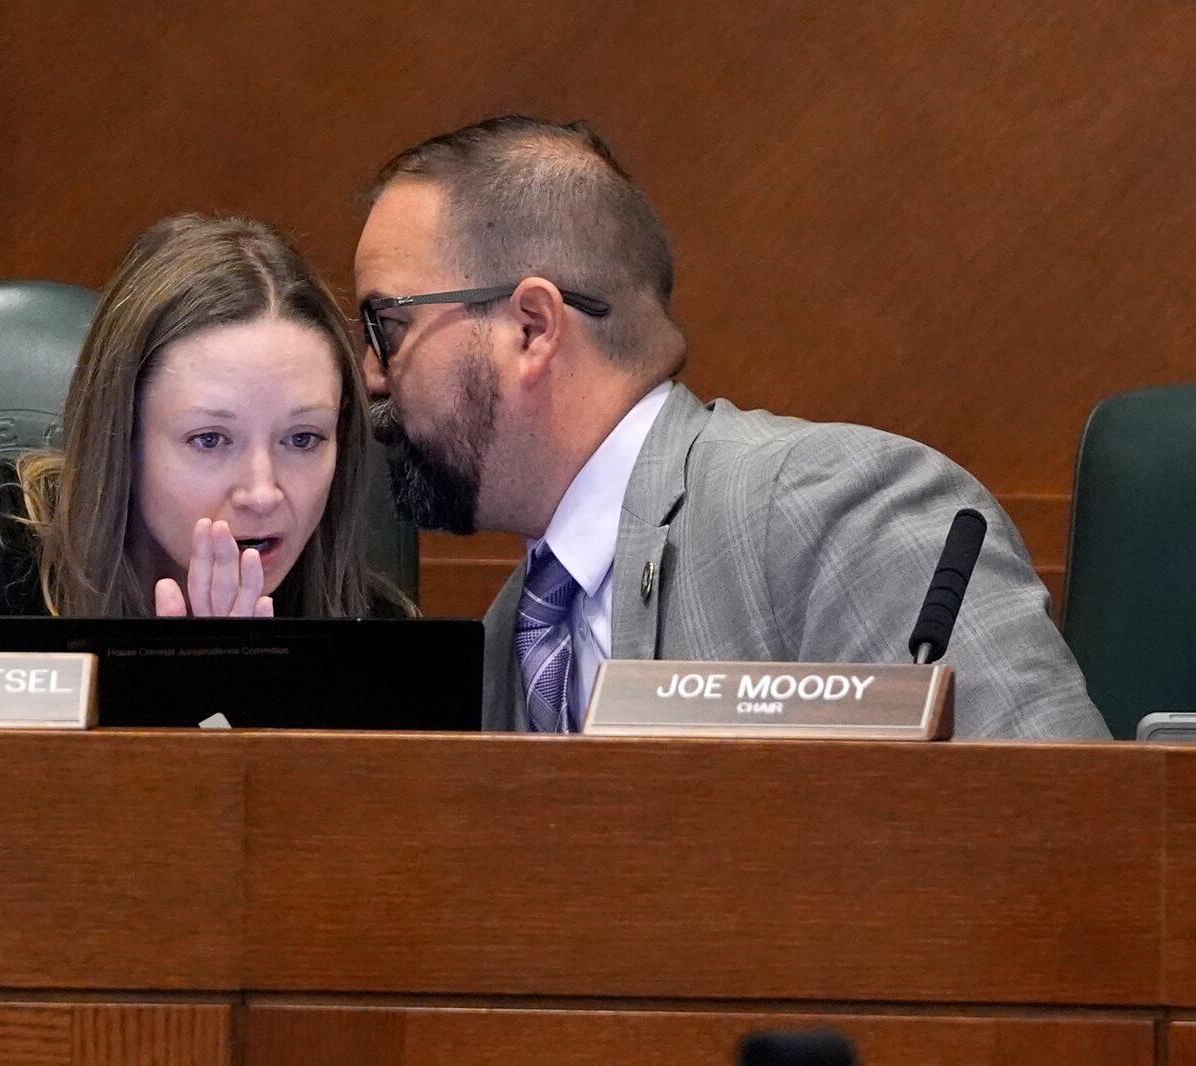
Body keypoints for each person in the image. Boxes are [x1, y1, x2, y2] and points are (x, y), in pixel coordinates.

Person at [353, 115, 1108, 740]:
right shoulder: (507, 639)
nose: (370, 375)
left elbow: (1075, 847)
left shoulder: (838, 514)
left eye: (386, 324)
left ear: (532, 327)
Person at [0, 213, 401, 650]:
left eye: (303, 439)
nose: (262, 493)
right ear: (123, 439)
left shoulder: (379, 636)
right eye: (209, 439)